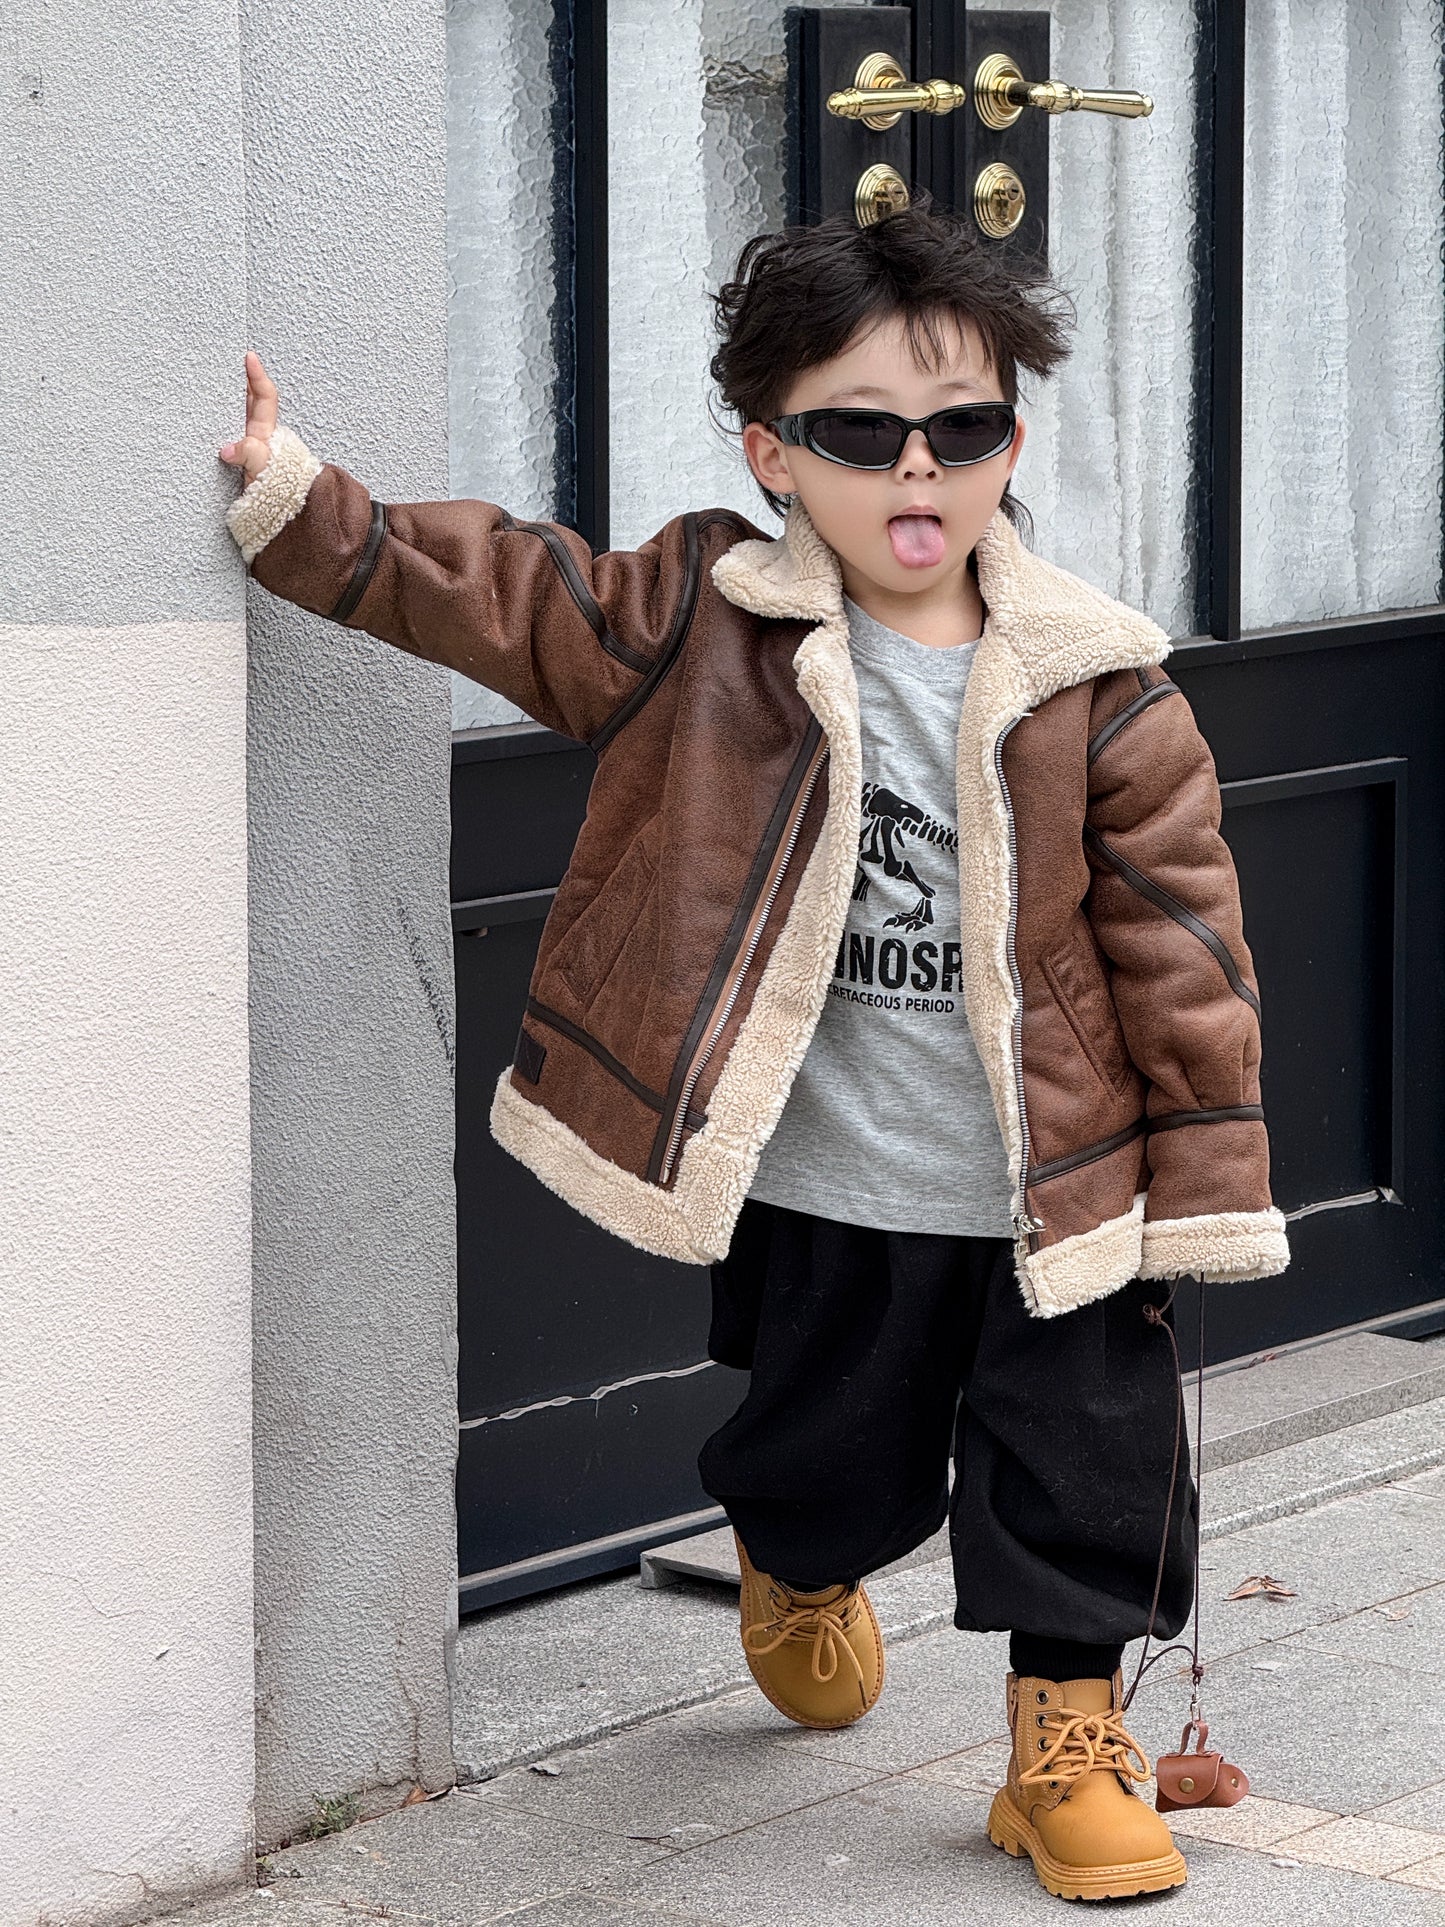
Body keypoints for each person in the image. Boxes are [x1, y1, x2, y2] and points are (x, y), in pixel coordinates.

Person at [220, 195, 1289, 1903]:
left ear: (1010, 441)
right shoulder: (700, 623)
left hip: (1055, 1189)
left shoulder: (1107, 689)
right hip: (830, 1185)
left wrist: (1199, 1192)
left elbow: (1185, 960)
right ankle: (795, 1565)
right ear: (775, 452)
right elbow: (502, 589)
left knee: (1090, 1465)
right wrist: (303, 503)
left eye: (963, 430)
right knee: (822, 1452)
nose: (916, 472)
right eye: (861, 433)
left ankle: (1063, 1743)